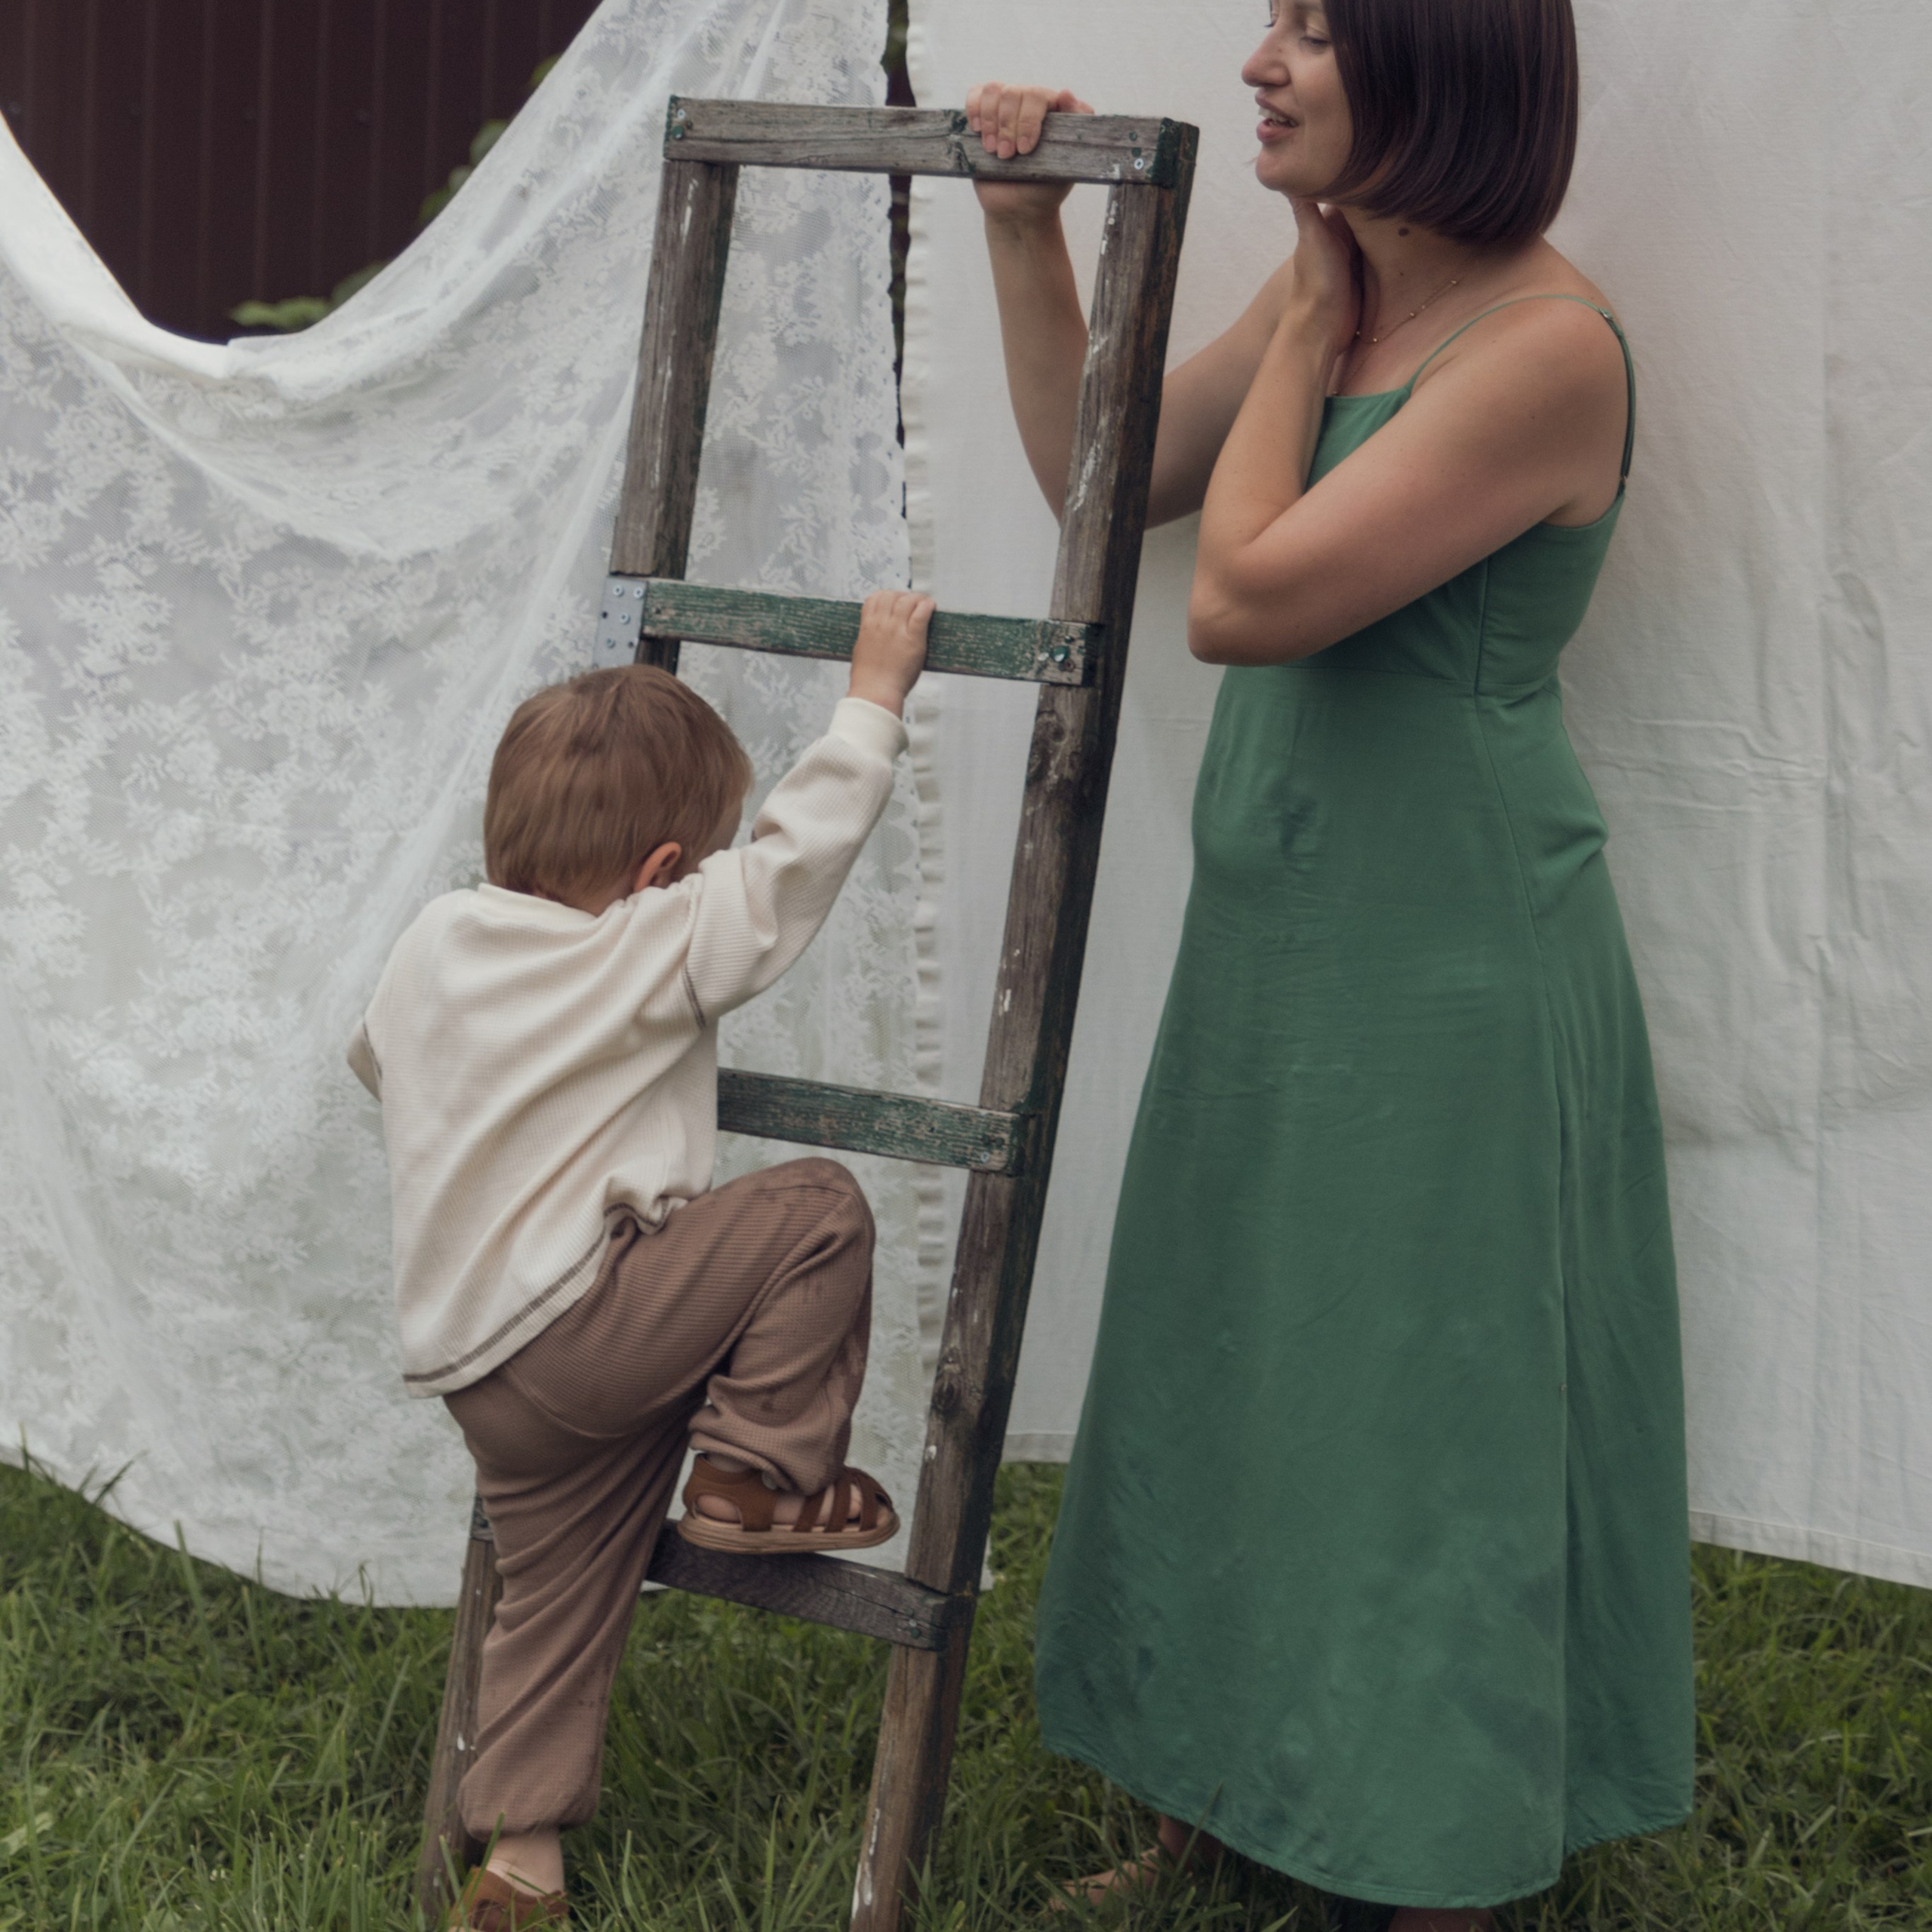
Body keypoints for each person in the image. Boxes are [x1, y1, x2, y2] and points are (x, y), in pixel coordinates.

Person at [968, 0, 1694, 1923]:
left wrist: (1295, 332)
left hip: (1446, 957)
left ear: (1441, 66)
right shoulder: (1347, 295)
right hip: (1285, 925)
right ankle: (1231, 1799)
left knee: (1413, 1404)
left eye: (1311, 29)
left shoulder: (1541, 350)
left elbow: (1244, 596)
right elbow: (1098, 482)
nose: (1260, 60)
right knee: (1250, 1363)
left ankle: (1430, 1853)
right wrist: (1022, 231)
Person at [346, 592, 934, 1930]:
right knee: (820, 1207)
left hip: (480, 1372)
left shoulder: (435, 943)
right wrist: (873, 700)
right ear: (668, 868)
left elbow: (375, 1061)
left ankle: (520, 1865)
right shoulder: (651, 939)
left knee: (556, 1601)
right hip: (587, 1326)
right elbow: (792, 866)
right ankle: (756, 1470)